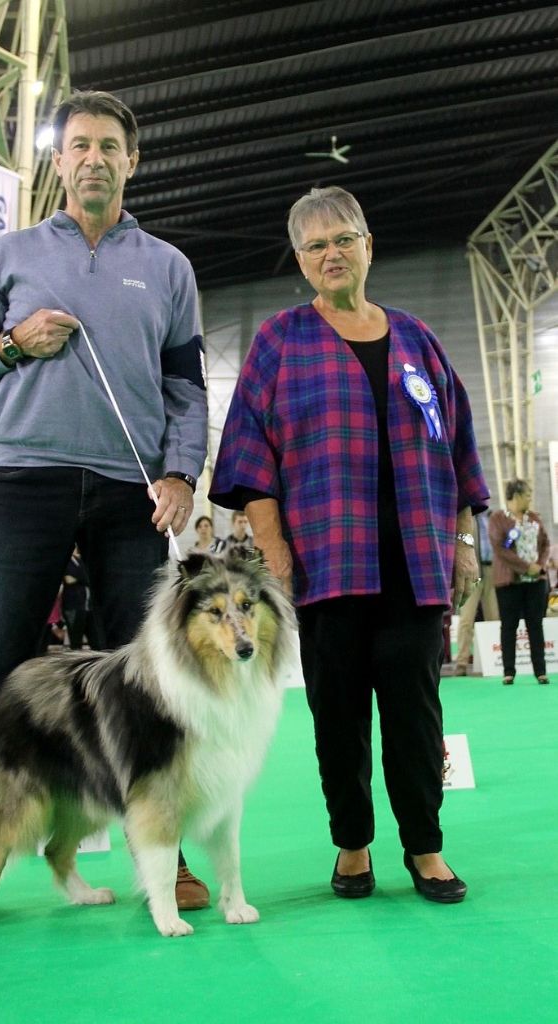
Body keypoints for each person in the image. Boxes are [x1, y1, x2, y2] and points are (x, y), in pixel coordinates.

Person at [0, 89, 209, 935]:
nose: (93, 158)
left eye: (109, 145)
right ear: (58, 161)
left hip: (131, 496)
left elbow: (187, 390)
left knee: (154, 687)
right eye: (78, 144)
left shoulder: (167, 267)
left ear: (131, 161)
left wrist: (183, 473)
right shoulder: (9, 254)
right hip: (27, 483)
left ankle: (169, 860)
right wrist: (15, 343)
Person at [209, 185, 489, 904]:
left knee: (416, 718)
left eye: (344, 239)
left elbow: (460, 450)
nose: (332, 253)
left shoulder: (419, 339)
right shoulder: (278, 342)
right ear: (301, 261)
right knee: (338, 720)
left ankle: (426, 850)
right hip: (327, 567)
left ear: (368, 246)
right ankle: (353, 847)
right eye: (315, 245)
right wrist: (276, 553)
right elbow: (250, 462)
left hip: (416, 568)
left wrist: (462, 541)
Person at [488, 479, 551, 685]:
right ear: (515, 496)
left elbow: (546, 544)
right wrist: (526, 567)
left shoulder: (534, 518)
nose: (530, 498)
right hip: (509, 582)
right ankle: (508, 672)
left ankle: (540, 671)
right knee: (509, 626)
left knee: (536, 625)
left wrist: (539, 566)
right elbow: (501, 549)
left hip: (535, 582)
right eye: (527, 494)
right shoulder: (498, 519)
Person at [454, 507, 499, 675]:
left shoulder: (493, 517)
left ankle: (496, 660)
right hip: (473, 570)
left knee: (494, 617)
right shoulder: (466, 517)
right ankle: (462, 663)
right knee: (466, 618)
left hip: (490, 570)